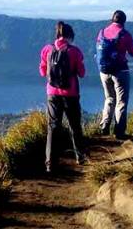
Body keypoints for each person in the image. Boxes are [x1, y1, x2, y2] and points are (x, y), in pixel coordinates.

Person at [39, 21, 86, 173]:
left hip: (52, 94)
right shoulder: (75, 51)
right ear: (70, 36)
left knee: (53, 127)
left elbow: (42, 72)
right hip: (71, 94)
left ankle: (50, 163)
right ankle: (80, 157)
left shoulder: (47, 49)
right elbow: (82, 73)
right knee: (75, 125)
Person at [96, 10, 133, 140]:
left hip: (103, 71)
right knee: (121, 101)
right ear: (124, 22)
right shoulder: (125, 34)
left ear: (112, 19)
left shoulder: (102, 32)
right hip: (120, 71)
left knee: (109, 98)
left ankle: (104, 127)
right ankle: (119, 132)